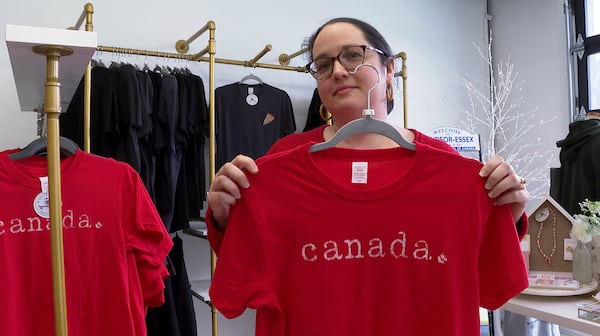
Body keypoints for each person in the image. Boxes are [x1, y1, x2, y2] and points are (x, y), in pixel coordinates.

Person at [206, 17, 530, 336]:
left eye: (352, 55)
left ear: (389, 70)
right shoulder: (279, 165)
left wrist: (506, 214)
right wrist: (224, 216)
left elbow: (485, 275)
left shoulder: (450, 168)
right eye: (322, 64)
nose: (337, 70)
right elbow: (247, 272)